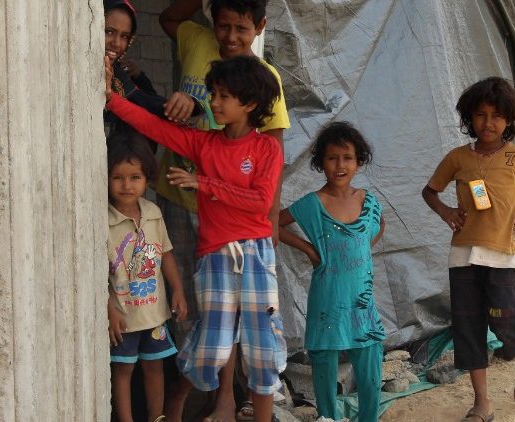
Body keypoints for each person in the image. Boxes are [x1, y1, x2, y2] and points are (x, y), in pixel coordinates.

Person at [105, 55, 287, 422]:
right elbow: (154, 127)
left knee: (262, 346)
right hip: (216, 256)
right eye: (213, 94)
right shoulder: (205, 144)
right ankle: (177, 400)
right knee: (213, 347)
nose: (213, 103)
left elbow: (259, 203)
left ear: (249, 104)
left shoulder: (267, 149)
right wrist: (110, 97)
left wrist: (204, 184)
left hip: (257, 254)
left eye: (223, 96)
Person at [158, 1, 290, 420]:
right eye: (224, 26)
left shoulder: (264, 79)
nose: (231, 36)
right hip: (180, 196)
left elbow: (274, 151)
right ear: (211, 22)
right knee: (205, 315)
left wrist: (268, 219)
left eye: (242, 28)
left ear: (260, 27)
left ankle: (225, 401)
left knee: (243, 318)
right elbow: (169, 18)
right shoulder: (197, 38)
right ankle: (199, 394)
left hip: (234, 215)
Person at [421, 77, 515, 422]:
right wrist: (446, 212)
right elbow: (430, 191)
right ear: (470, 118)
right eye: (480, 115)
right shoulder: (457, 158)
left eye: (497, 116)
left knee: (505, 320)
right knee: (467, 328)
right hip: (463, 255)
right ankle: (482, 402)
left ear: (509, 120)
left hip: (501, 254)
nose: (488, 123)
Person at [278, 122, 386, 422]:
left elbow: (380, 224)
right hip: (327, 300)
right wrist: (310, 250)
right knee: (324, 363)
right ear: (321, 162)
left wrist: (363, 246)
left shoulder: (368, 201)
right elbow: (273, 223)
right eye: (332, 158)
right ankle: (328, 417)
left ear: (359, 161)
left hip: (361, 303)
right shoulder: (313, 204)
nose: (340, 165)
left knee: (370, 366)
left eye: (347, 158)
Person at [106, 129, 189, 422]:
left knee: (155, 367)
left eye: (135, 177)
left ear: (147, 179)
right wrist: (108, 310)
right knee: (123, 370)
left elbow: (165, 254)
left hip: (154, 313)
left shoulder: (153, 212)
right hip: (123, 318)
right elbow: (96, 275)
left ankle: (157, 418)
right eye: (118, 177)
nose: (127, 185)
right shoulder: (103, 219)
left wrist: (177, 290)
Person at [104, 0, 198, 136]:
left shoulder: (118, 76)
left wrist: (189, 105)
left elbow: (149, 103)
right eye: (109, 32)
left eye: (124, 36)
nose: (117, 43)